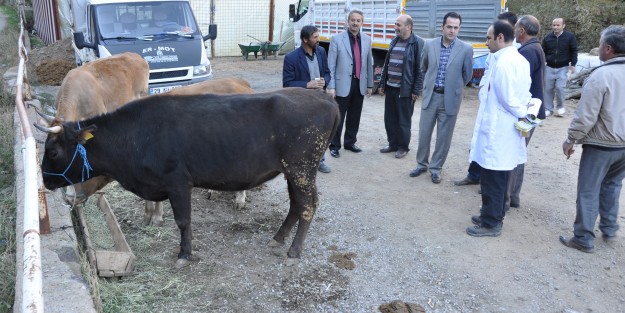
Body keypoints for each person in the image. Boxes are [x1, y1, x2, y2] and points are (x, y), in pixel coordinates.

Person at [559, 25, 625, 253]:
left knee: (588, 190)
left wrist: (571, 139)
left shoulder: (601, 75)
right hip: (623, 146)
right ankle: (609, 227)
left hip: (601, 145)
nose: (597, 47)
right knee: (613, 186)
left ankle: (583, 237)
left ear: (607, 48)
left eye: (599, 43)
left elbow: (586, 116)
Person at [466, 20, 531, 237]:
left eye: (488, 38)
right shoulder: (517, 59)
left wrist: (523, 112)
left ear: (500, 38)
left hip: (499, 130)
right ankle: (489, 214)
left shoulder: (504, 63)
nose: (486, 42)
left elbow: (508, 99)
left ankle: (491, 223)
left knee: (494, 177)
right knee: (498, 175)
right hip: (504, 129)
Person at [454, 11, 519, 187]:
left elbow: (510, 94)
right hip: (488, 103)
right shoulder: (495, 50)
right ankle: (474, 174)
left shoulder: (514, 52)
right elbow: (488, 72)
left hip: (502, 112)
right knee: (479, 141)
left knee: (494, 150)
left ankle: (491, 188)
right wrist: (483, 90)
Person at [409, 12, 472, 184]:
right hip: (431, 96)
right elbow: (424, 67)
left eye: (456, 27)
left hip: (450, 99)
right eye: (449, 27)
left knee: (444, 137)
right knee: (424, 134)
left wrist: (453, 88)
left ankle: (436, 169)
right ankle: (421, 164)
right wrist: (430, 85)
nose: (452, 30)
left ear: (459, 28)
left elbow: (467, 75)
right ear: (442, 27)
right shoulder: (429, 45)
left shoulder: (466, 49)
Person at [505, 15, 546, 209]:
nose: (514, 31)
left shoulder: (528, 52)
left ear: (521, 30)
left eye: (516, 28)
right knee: (518, 152)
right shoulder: (535, 48)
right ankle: (513, 197)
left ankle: (504, 199)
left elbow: (520, 85)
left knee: (513, 153)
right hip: (532, 111)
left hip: (527, 112)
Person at [283, 25, 332, 173]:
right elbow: (287, 84)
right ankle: (301, 161)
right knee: (302, 132)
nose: (318, 40)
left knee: (321, 131)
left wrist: (325, 81)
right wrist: (307, 84)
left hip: (320, 100)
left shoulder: (322, 52)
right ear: (305, 39)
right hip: (302, 102)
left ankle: (320, 161)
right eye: (315, 37)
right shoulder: (291, 58)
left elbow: (327, 72)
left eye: (318, 36)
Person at [327, 9, 374, 158]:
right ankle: (334, 145)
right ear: (348, 21)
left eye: (358, 20)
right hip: (342, 85)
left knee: (355, 115)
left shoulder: (367, 39)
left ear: (362, 22)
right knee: (338, 117)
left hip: (359, 83)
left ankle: (350, 142)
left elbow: (368, 64)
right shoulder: (337, 39)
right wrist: (331, 86)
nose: (355, 23)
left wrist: (370, 85)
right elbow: (331, 65)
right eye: (352, 20)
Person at [377, 14, 424, 159]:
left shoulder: (417, 43)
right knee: (390, 118)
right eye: (395, 24)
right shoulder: (394, 41)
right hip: (390, 87)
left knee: (404, 120)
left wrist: (416, 90)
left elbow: (420, 69)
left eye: (398, 25)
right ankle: (392, 144)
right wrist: (382, 83)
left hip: (405, 90)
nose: (395, 27)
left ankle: (403, 147)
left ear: (408, 27)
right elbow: (387, 63)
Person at [542, 17, 578, 117]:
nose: (555, 27)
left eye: (558, 25)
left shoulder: (569, 37)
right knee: (548, 88)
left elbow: (574, 50)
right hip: (549, 67)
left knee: (560, 88)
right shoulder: (547, 37)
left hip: (563, 67)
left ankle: (560, 107)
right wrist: (543, 62)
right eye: (554, 25)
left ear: (563, 25)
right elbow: (543, 51)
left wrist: (573, 64)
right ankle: (548, 108)